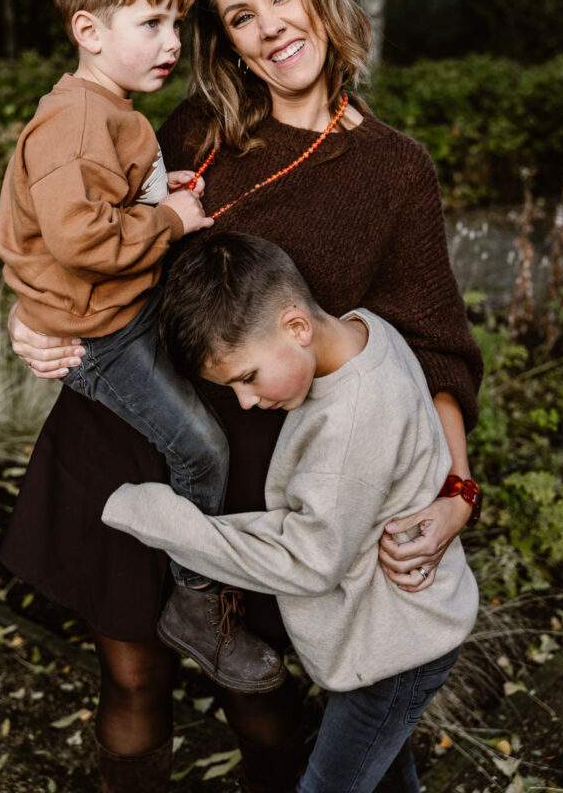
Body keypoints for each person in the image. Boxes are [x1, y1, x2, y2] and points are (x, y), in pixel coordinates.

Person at [2, 0, 484, 793]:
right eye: (238, 16)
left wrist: (454, 490)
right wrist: (30, 316)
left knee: (256, 692)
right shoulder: (199, 126)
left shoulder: (393, 170)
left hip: (258, 469)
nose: (269, 27)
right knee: (131, 675)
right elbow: (81, 225)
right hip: (124, 428)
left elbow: (436, 345)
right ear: (226, 41)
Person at [0, 0, 286, 694]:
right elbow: (79, 238)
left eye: (177, 23)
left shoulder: (109, 109)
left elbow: (100, 197)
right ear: (88, 31)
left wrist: (159, 191)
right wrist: (169, 222)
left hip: (124, 314)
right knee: (202, 451)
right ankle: (193, 601)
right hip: (103, 337)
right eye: (150, 23)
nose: (171, 42)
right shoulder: (77, 120)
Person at [102, 231, 480, 793]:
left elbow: (308, 560)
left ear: (297, 327)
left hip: (397, 650)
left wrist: (163, 520)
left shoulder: (349, 428)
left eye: (247, 378)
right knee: (385, 779)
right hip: (387, 631)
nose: (248, 402)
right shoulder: (365, 331)